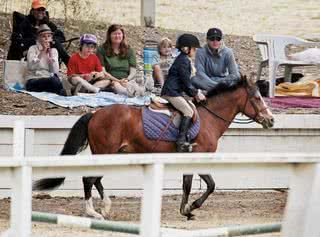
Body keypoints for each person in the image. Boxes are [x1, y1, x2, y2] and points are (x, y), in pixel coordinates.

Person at [161, 34, 206, 152]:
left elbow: (187, 83)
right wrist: (196, 93)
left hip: (175, 91)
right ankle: (181, 141)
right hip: (171, 93)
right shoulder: (183, 61)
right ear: (186, 49)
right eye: (194, 49)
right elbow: (186, 83)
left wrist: (196, 92)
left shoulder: (184, 59)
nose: (195, 51)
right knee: (188, 111)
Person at [8, 0, 69, 65]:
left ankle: (71, 65)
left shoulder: (47, 23)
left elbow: (61, 36)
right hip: (30, 48)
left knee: (56, 43)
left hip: (46, 48)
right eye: (38, 9)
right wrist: (37, 40)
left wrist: (49, 39)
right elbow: (16, 40)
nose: (40, 12)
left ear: (45, 12)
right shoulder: (24, 22)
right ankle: (70, 64)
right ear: (32, 11)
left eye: (42, 10)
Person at [96, 24, 137, 95]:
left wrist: (127, 79)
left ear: (123, 35)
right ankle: (127, 94)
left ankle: (132, 93)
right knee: (116, 85)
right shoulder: (101, 49)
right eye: (114, 34)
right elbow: (103, 71)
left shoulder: (129, 50)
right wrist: (117, 80)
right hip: (109, 79)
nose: (117, 36)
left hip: (126, 80)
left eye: (119, 34)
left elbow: (133, 70)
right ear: (109, 35)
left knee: (133, 87)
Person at [25, 24, 63, 94]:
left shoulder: (54, 51)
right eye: (43, 36)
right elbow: (31, 67)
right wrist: (42, 52)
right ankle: (65, 91)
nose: (46, 39)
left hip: (48, 78)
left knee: (57, 80)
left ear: (51, 38)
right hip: (33, 79)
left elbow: (54, 71)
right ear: (38, 38)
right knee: (53, 81)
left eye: (48, 36)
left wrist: (51, 57)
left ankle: (65, 91)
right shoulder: (33, 48)